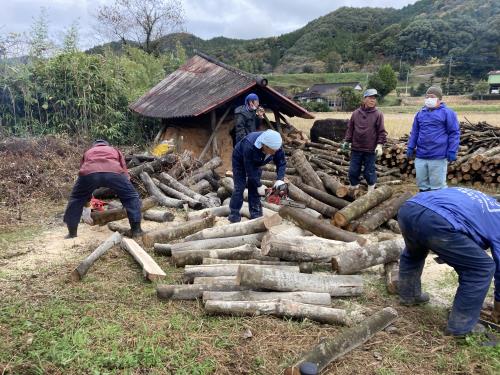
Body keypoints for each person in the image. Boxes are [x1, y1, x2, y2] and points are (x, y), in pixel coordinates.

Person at [397, 187, 500, 337]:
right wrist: (498, 306)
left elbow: (469, 231)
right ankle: (461, 328)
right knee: (481, 269)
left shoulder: (487, 204)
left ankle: (409, 296)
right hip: (439, 220)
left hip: (409, 208)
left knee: (414, 252)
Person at [63, 140, 143, 238]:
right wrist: (125, 189)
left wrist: (86, 203)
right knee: (131, 197)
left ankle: (72, 233)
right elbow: (124, 169)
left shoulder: (88, 152)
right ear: (107, 145)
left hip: (89, 174)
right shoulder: (115, 150)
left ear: (94, 146)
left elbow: (82, 170)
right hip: (114, 173)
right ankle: (136, 230)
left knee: (76, 198)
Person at [406, 86, 460, 192]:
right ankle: (425, 205)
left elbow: (454, 133)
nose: (429, 99)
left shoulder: (447, 113)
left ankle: (439, 207)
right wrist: (411, 146)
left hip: (438, 156)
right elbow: (415, 132)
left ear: (439, 99)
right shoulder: (420, 113)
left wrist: (452, 150)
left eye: (432, 96)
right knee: (422, 185)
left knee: (437, 186)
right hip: (421, 155)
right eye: (427, 96)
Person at [228, 130, 286, 223]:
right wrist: (259, 185)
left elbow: (281, 163)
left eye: (276, 150)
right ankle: (234, 215)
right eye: (273, 151)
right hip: (240, 159)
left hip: (256, 162)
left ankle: (256, 215)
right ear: (265, 145)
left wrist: (280, 179)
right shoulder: (250, 146)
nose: (275, 153)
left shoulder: (276, 145)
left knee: (254, 189)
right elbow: (249, 169)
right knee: (240, 187)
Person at [342, 88, 387, 193]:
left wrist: (379, 145)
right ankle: (354, 187)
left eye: (374, 98)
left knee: (369, 172)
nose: (373, 100)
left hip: (370, 149)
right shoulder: (356, 113)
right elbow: (350, 129)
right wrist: (347, 141)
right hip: (356, 148)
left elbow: (381, 131)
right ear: (364, 99)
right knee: (353, 170)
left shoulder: (378, 114)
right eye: (370, 98)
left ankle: (371, 189)